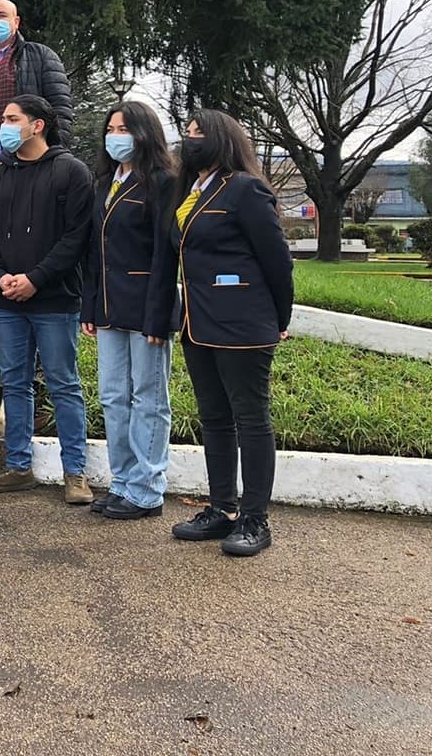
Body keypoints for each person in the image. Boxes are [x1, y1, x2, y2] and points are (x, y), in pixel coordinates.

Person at [169, 109, 293, 557]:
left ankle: (255, 519)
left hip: (244, 323)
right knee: (214, 417)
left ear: (223, 140)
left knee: (250, 418)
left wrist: (280, 318)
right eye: (186, 134)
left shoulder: (245, 189)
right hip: (197, 323)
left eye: (199, 134)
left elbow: (278, 261)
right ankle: (221, 509)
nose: (190, 141)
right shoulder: (192, 190)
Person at [0, 96, 95, 504]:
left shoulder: (71, 172)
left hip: (55, 300)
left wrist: (36, 279)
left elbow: (76, 237)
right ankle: (18, 466)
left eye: (11, 119)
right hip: (5, 300)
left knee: (63, 384)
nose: (3, 125)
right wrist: (1, 275)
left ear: (37, 125)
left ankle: (75, 473)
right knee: (14, 382)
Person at [80, 102, 179, 519]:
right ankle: (122, 481)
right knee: (113, 395)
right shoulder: (105, 182)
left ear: (144, 134)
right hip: (107, 307)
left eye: (125, 128)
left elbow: (165, 256)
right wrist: (89, 305)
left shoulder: (162, 183)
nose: (116, 135)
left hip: (145, 308)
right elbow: (92, 251)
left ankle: (147, 487)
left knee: (149, 398)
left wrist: (159, 316)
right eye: (112, 128)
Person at [0, 0, 75, 146]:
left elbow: (60, 108)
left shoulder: (41, 56)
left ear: (16, 22)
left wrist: (54, 150)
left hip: (30, 150)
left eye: (1, 15)